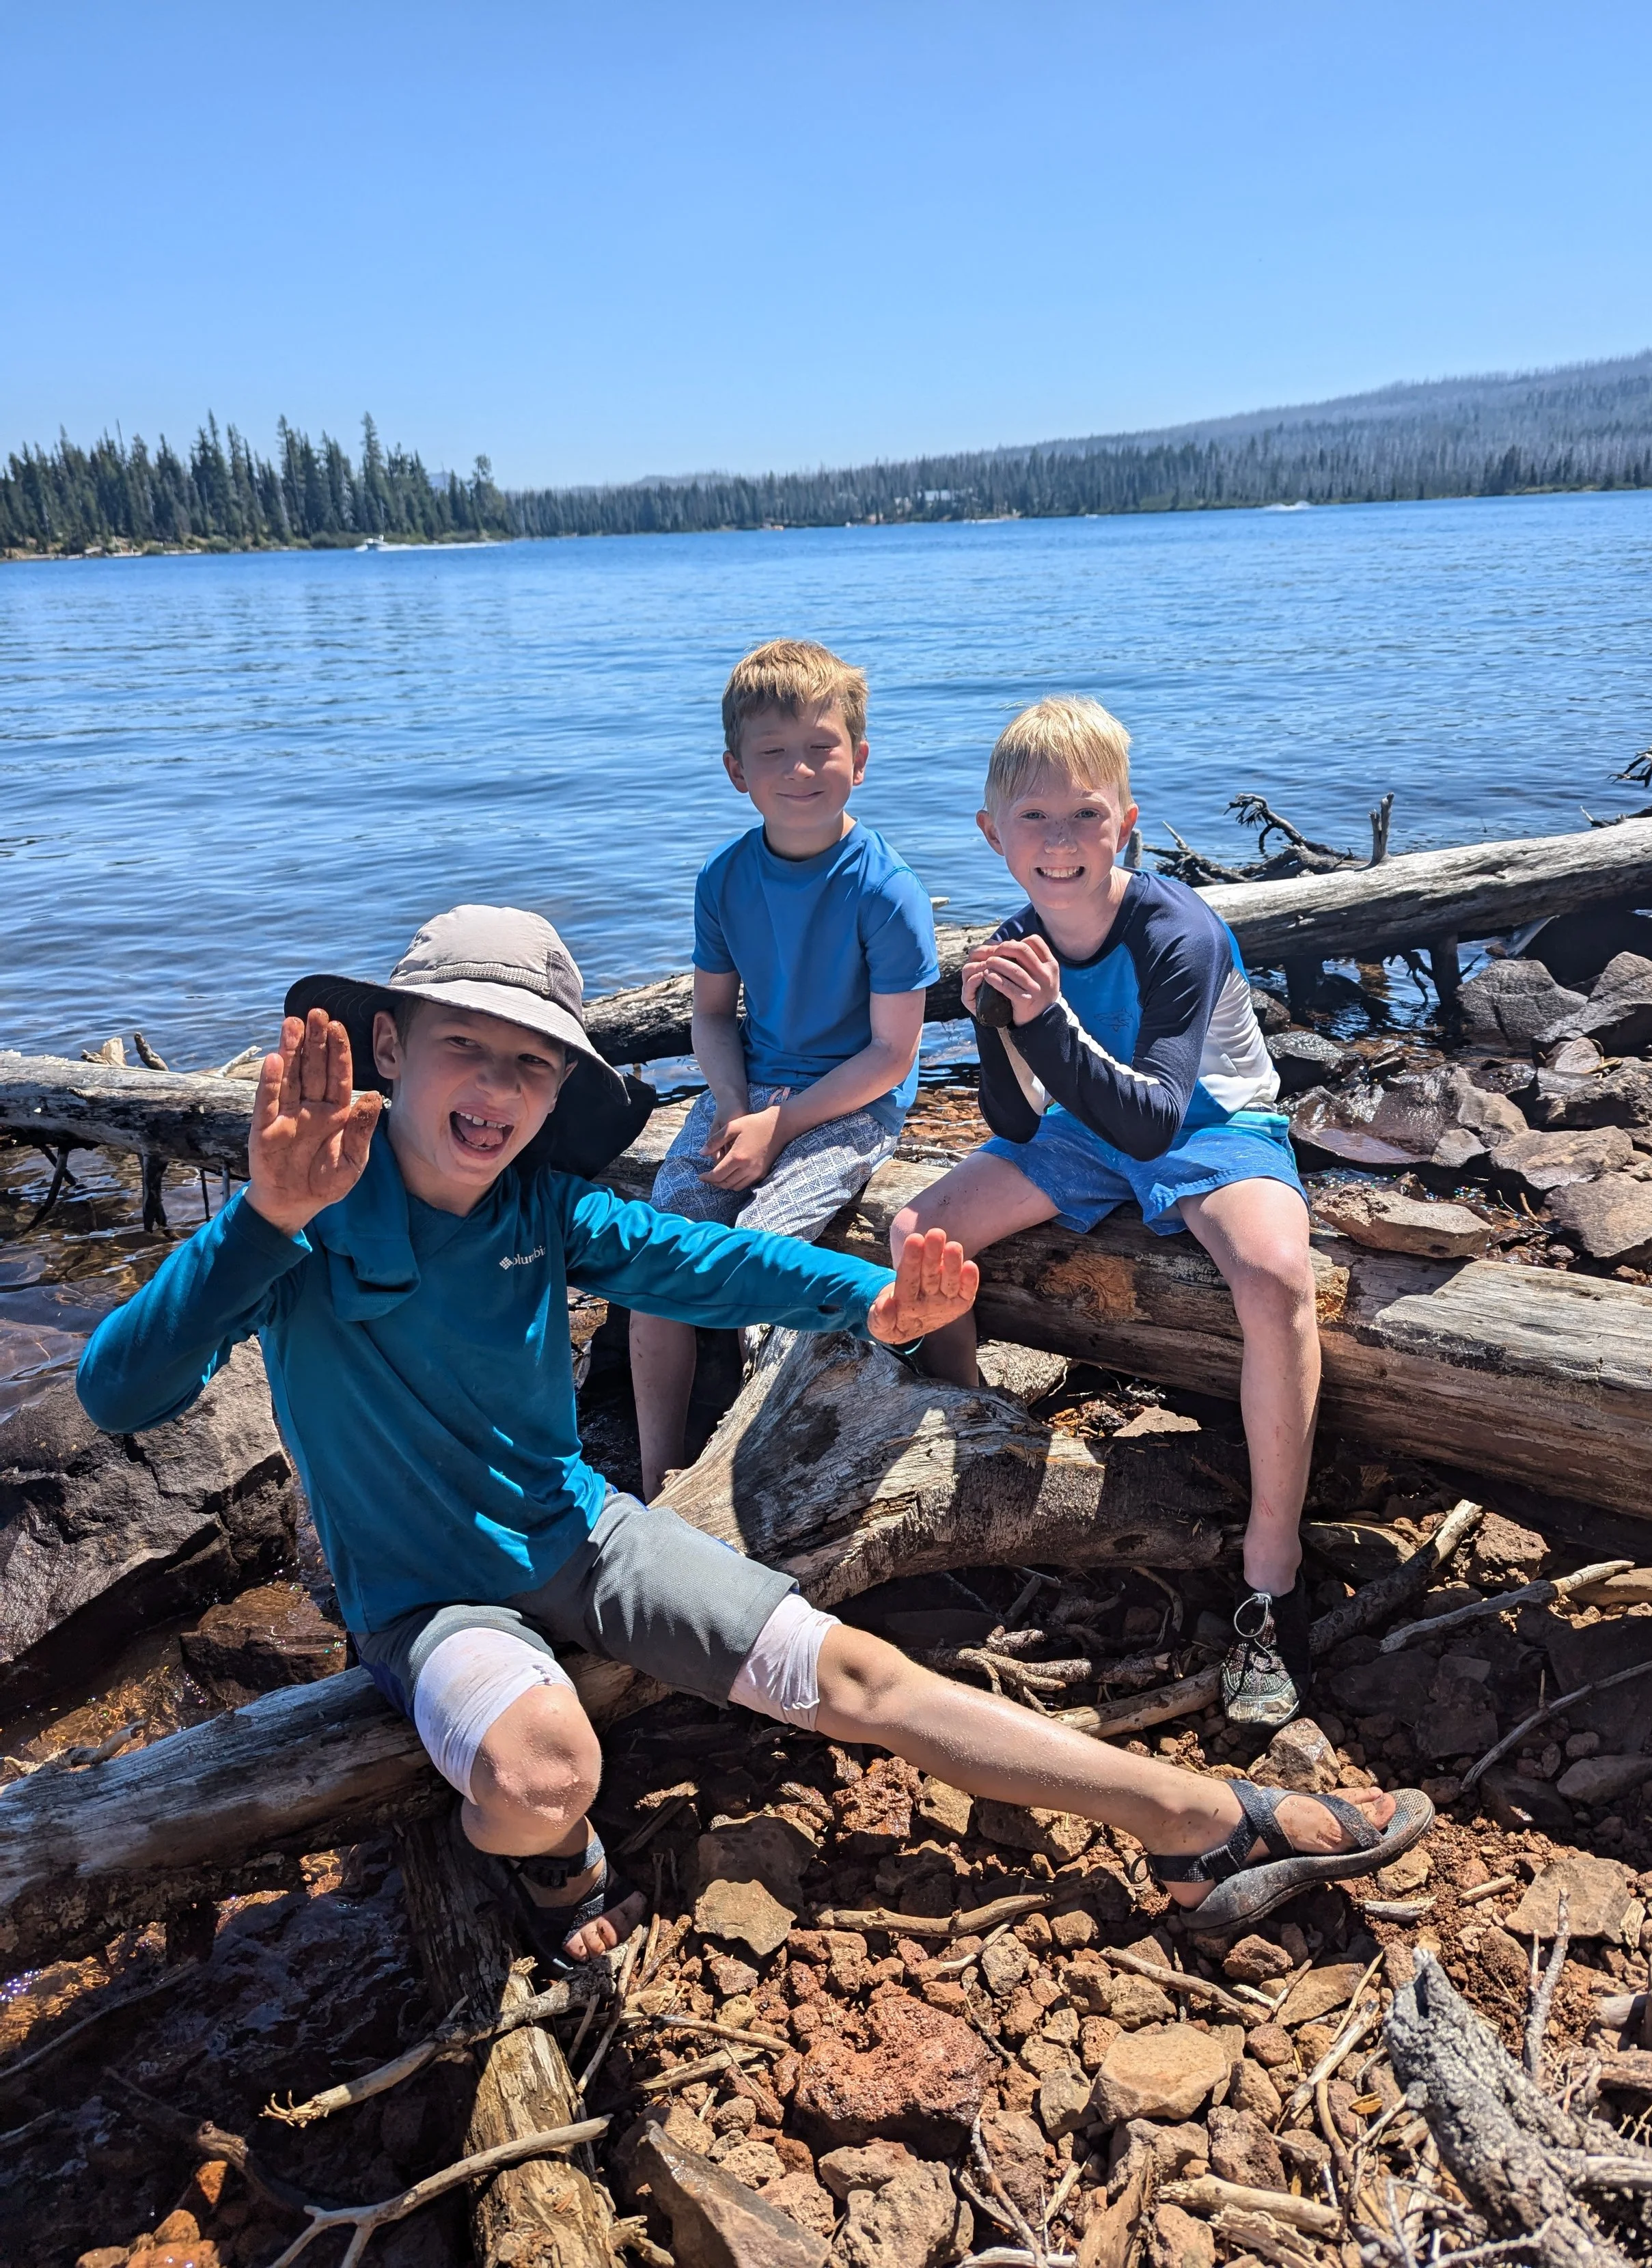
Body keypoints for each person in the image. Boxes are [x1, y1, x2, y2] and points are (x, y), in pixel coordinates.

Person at [77, 904, 1427, 1974]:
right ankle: (538, 1862)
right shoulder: (304, 1209)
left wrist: (877, 1298)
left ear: (555, 1096)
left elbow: (706, 1266)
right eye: (464, 1048)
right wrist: (258, 1218)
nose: (493, 1088)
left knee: (862, 1678)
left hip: (580, 1538)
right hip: (421, 1599)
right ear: (389, 1049)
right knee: (546, 1774)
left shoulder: (541, 1210)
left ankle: (1193, 1824)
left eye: (529, 1064)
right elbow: (118, 1393)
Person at [891, 697, 1321, 1728]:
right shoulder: (1011, 941)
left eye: (1085, 816)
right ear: (994, 834)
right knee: (916, 1234)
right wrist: (993, 1025)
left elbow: (1156, 1116)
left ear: (1124, 822)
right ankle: (975, 1439)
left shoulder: (1179, 929)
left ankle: (1274, 1566)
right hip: (1088, 1121)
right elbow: (1007, 1115)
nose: (1060, 842)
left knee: (1272, 1276)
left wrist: (1039, 1020)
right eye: (1032, 819)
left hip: (1212, 1120)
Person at [630, 639, 939, 1500]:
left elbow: (893, 1055)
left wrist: (784, 1123)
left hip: (851, 1098)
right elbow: (709, 1015)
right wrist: (734, 1107)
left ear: (860, 760)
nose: (799, 769)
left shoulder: (885, 889)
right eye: (773, 752)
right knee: (659, 1247)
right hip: (750, 1087)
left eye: (821, 747)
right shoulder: (724, 879)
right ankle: (660, 1466)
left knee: (763, 1252)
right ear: (737, 771)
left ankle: (755, 1468)